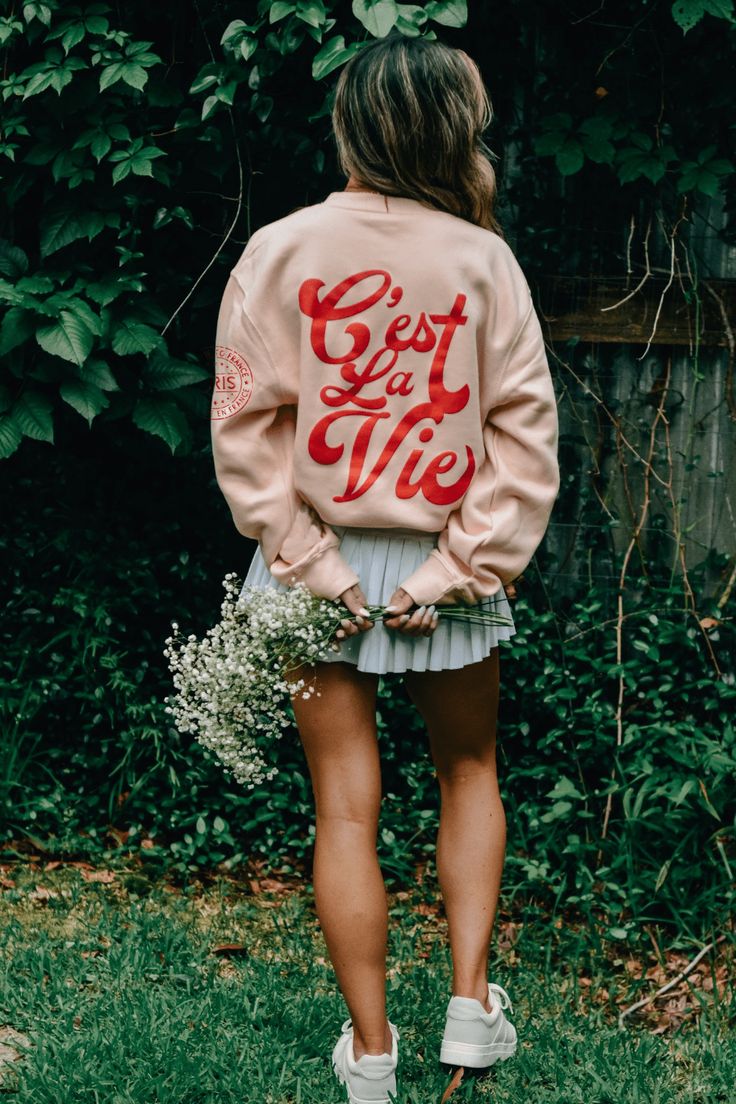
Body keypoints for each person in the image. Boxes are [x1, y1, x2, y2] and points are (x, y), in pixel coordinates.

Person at [210, 31, 560, 1104]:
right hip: (448, 559)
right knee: (468, 772)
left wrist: (315, 562)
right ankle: (468, 1009)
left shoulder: (281, 247)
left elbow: (243, 422)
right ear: (454, 131)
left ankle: (369, 1056)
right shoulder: (480, 260)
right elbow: (523, 435)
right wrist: (451, 570)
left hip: (312, 563)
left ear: (349, 125)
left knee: (345, 811)